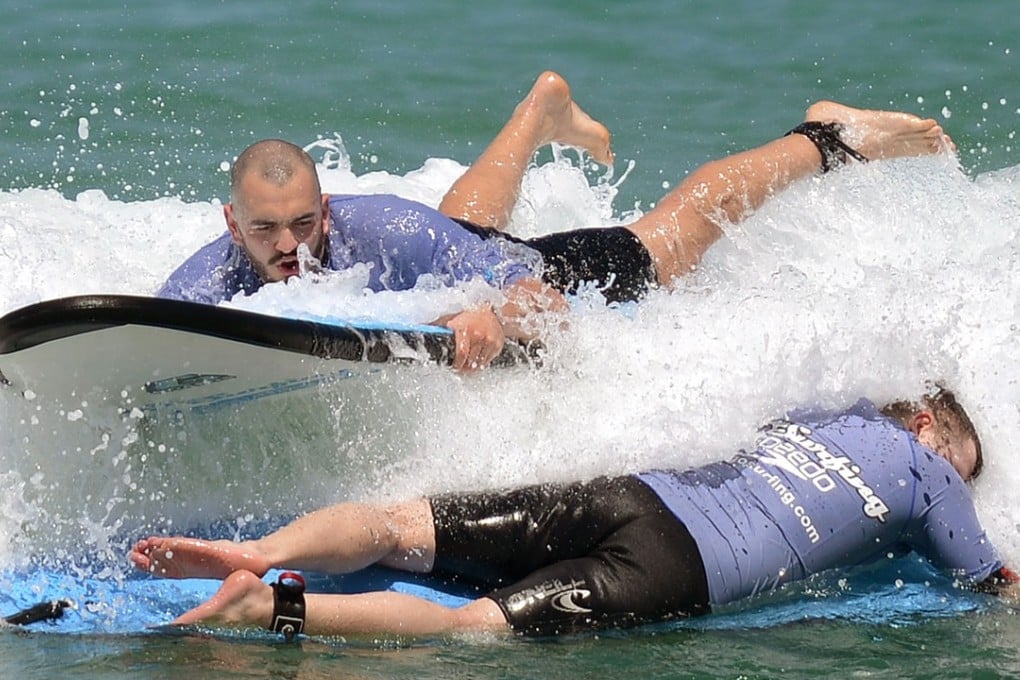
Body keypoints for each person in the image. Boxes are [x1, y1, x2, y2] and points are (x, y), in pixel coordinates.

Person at [158, 71, 953, 370]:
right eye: (268, 233)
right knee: (460, 229)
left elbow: (538, 290)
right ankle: (541, 111)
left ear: (326, 208)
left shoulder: (384, 229)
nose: (291, 247)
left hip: (515, 265)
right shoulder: (201, 281)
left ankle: (827, 136)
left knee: (673, 237)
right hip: (457, 251)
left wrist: (494, 317)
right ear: (232, 224)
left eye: (305, 223)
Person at [130, 385, 1018, 638]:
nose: (954, 482)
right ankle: (270, 604)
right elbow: (990, 577)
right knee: (472, 626)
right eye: (957, 461)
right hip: (679, 570)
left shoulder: (830, 409)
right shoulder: (929, 473)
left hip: (636, 491)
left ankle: (249, 549)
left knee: (406, 524)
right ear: (927, 423)